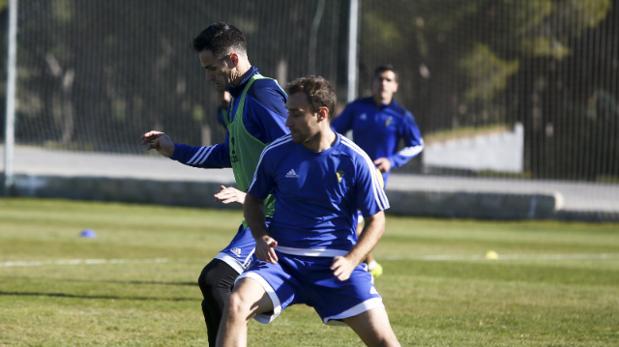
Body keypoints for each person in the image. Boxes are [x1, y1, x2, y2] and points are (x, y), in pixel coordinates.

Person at [217, 76, 400, 347]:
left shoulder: (355, 160)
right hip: (281, 261)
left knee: (386, 341)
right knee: (236, 303)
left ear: (321, 113)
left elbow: (377, 220)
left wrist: (352, 259)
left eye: (295, 114)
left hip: (336, 264)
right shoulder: (275, 153)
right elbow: (253, 200)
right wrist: (260, 235)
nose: (287, 121)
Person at [142, 22, 288, 346]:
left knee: (216, 281)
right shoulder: (238, 99)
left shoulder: (262, 94)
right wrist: (174, 149)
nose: (208, 77)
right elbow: (229, 153)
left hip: (283, 217)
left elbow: (294, 154)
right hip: (260, 214)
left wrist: (252, 194)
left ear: (233, 60)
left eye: (211, 68)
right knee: (215, 291)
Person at [331, 64, 424, 278]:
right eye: (379, 79)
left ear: (395, 86)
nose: (383, 83)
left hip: (377, 177)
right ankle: (368, 264)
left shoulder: (401, 115)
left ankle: (363, 263)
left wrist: (392, 160)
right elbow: (334, 132)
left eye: (388, 80)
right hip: (350, 173)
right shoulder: (357, 108)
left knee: (359, 222)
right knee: (352, 221)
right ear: (372, 84)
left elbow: (416, 144)